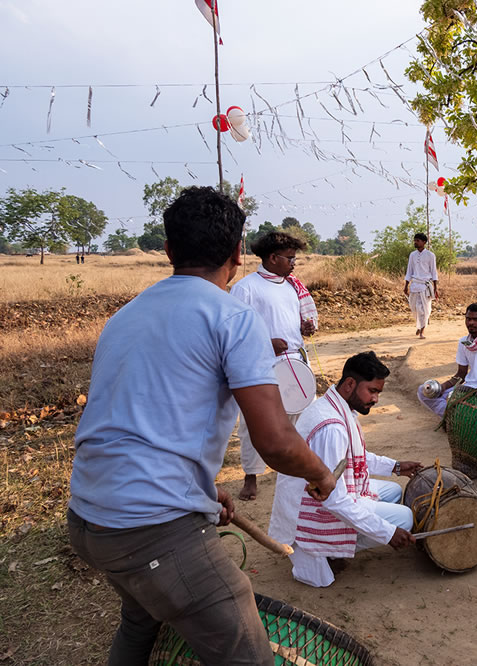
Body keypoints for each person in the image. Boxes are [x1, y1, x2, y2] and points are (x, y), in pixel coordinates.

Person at [67, 186, 337, 665]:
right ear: (238, 252)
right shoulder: (233, 316)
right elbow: (274, 440)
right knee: (247, 654)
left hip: (88, 517)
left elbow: (142, 419)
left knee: (141, 618)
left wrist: (202, 488)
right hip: (150, 529)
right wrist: (319, 473)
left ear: (169, 250)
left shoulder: (124, 317)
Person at [269, 352, 422, 588]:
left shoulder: (335, 406)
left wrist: (396, 466)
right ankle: (328, 552)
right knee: (404, 519)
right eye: (372, 391)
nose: (376, 399)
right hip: (312, 509)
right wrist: (387, 533)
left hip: (325, 495)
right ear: (350, 384)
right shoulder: (331, 427)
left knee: (391, 490)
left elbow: (354, 457)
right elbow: (333, 500)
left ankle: (340, 544)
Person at [229, 231, 319, 501]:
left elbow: (294, 321)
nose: (294, 264)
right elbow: (233, 333)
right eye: (290, 258)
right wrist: (266, 344)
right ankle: (251, 477)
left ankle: (297, 470)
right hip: (261, 364)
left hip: (295, 360)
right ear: (272, 257)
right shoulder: (246, 288)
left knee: (301, 417)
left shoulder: (292, 286)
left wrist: (304, 327)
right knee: (254, 423)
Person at [417, 303, 477, 416]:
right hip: (467, 389)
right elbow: (461, 375)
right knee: (424, 391)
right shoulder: (463, 342)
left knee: (467, 406)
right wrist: (443, 387)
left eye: (476, 319)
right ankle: (449, 415)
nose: (471, 323)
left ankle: (454, 415)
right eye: (468, 319)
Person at [404, 232, 439, 339]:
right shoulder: (412, 255)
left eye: (418, 240)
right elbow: (409, 271)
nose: (415, 242)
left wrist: (436, 288)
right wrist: (406, 285)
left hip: (425, 286)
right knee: (414, 308)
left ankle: (422, 331)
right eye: (415, 240)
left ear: (424, 242)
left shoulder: (430, 255)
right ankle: (419, 325)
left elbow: (434, 272)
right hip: (414, 285)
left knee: (424, 309)